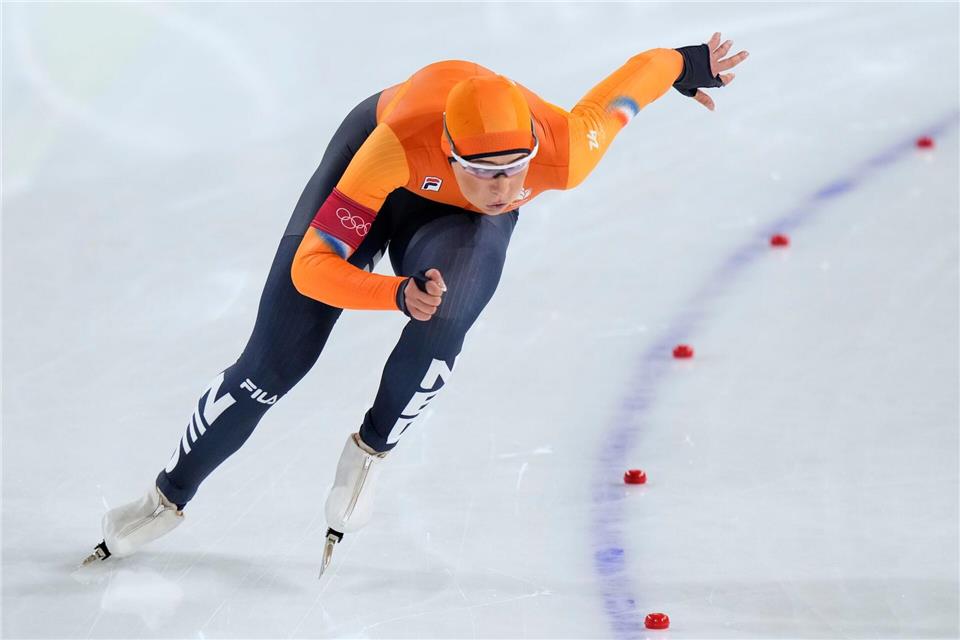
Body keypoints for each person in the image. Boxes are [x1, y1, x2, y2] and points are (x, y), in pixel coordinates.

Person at [83, 33, 749, 575]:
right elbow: (313, 268)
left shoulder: (566, 151)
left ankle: (370, 453)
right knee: (273, 364)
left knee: (448, 315)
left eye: (514, 169)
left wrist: (689, 64)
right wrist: (394, 293)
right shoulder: (392, 147)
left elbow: (640, 77)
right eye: (484, 173)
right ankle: (166, 496)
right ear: (452, 154)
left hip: (451, 221)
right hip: (382, 166)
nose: (502, 188)